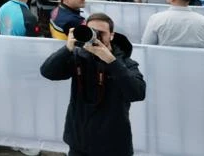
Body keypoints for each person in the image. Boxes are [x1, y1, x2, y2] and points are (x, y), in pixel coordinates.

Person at [40, 13, 147, 156]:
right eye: (92, 32)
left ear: (112, 35)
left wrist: (111, 62)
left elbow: (137, 93)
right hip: (79, 142)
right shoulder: (79, 57)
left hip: (113, 146)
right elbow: (47, 72)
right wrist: (67, 49)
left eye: (101, 33)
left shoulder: (125, 63)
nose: (96, 37)